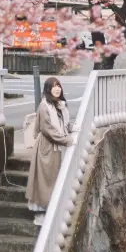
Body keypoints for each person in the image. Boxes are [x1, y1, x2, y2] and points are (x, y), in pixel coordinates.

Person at [25, 77, 74, 226]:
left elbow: (64, 125)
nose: (57, 88)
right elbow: (48, 130)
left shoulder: (60, 106)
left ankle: (51, 210)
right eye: (53, 86)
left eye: (58, 85)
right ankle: (40, 213)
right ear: (48, 89)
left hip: (57, 148)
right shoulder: (44, 106)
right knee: (44, 179)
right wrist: (67, 140)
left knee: (54, 179)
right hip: (46, 148)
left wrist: (72, 129)